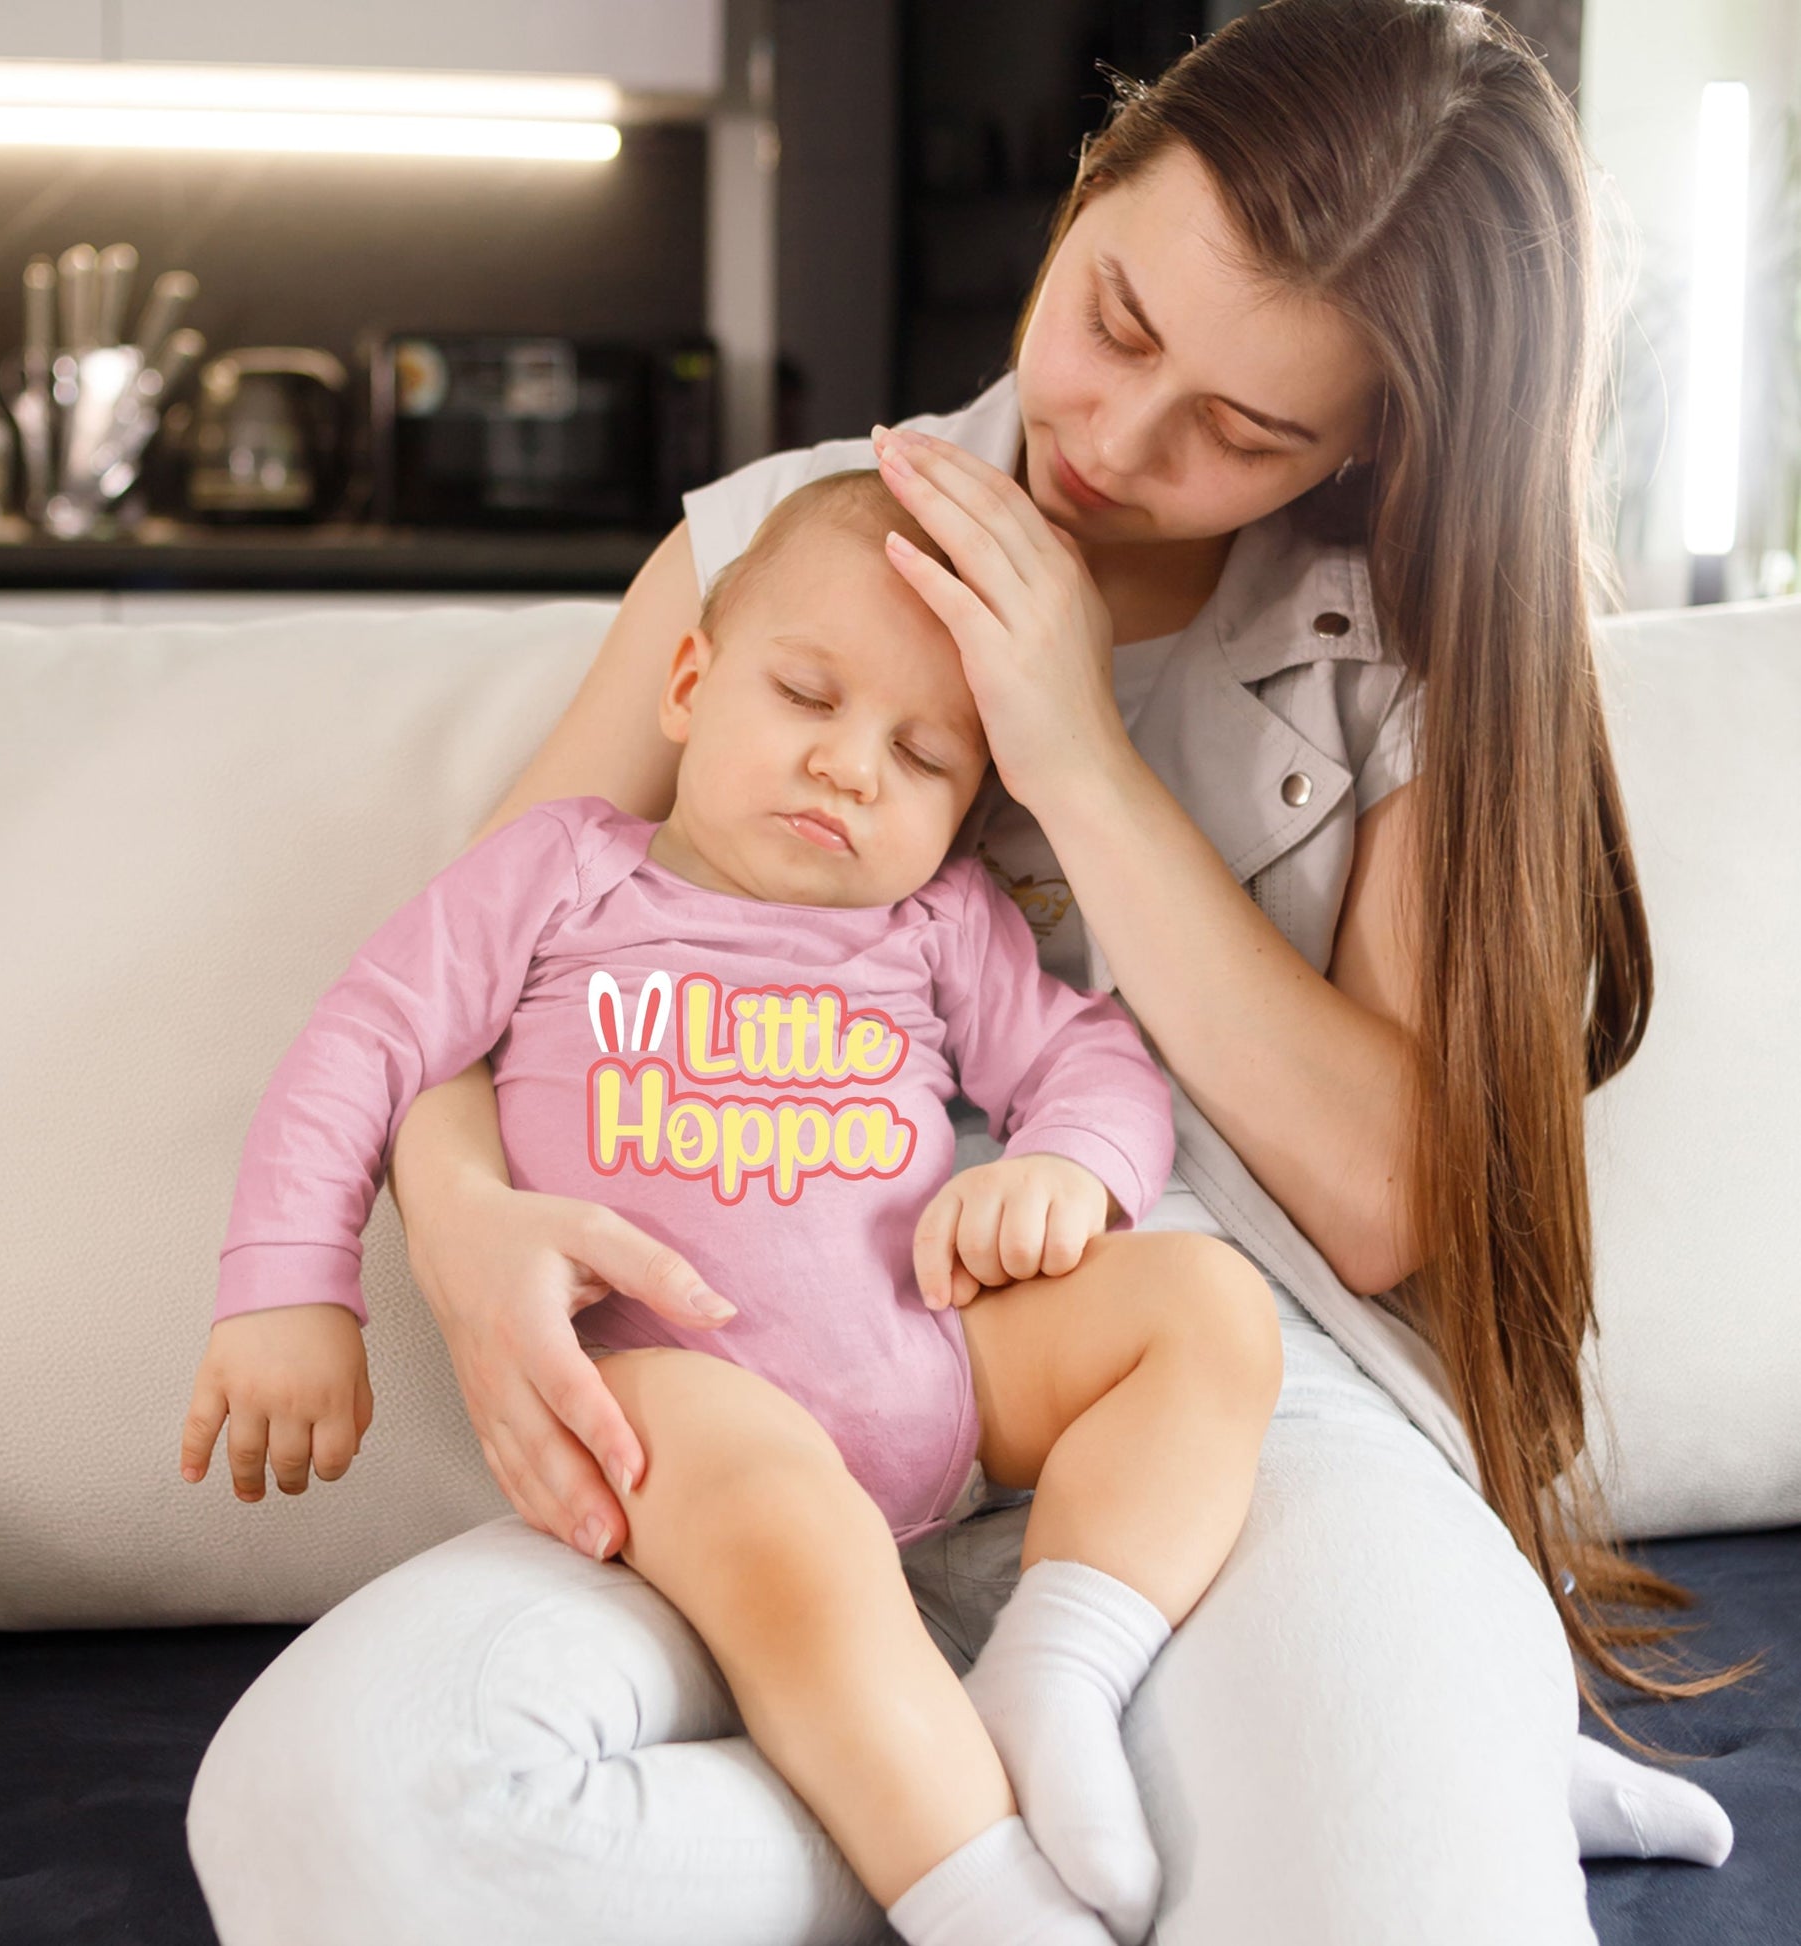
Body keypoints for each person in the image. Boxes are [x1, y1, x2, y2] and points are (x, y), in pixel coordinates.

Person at [187, 4, 1751, 1941]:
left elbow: (1380, 1195)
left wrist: (1072, 750)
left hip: (1206, 1429)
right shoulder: (773, 549)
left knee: (1397, 1865)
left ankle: (1143, 1762)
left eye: (1242, 432)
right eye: (1114, 319)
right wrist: (454, 1223)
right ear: (1087, 190)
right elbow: (462, 971)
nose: (1113, 440)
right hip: (739, 1401)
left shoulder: (1412, 654)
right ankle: (1001, 1828)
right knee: (338, 1811)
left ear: (1371, 439)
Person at [181, 469, 1286, 1944]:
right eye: (807, 696)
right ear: (690, 686)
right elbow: (368, 1038)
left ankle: (1066, 1660)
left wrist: (1066, 1170)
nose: (848, 767)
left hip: (938, 1355)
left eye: (921, 754)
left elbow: (1089, 1056)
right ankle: (982, 1897)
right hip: (682, 1383)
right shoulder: (566, 869)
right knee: (785, 1522)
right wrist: (287, 1287)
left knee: (1207, 1308)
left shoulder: (936, 921)